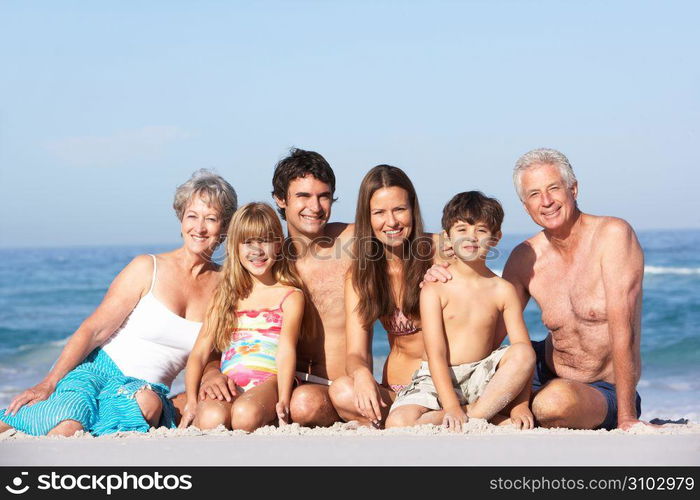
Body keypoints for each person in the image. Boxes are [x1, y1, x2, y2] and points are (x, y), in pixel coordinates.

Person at [0, 170, 237, 436]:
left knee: (145, 405)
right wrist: (48, 383)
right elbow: (94, 330)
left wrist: (213, 372)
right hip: (96, 372)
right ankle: (27, 415)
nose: (200, 227)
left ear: (225, 227)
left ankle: (27, 418)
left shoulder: (225, 286)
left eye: (211, 218)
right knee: (67, 427)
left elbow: (213, 351)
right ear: (181, 219)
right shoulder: (147, 267)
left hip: (147, 389)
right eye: (192, 216)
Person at [427, 148, 646, 431]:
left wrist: (627, 417)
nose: (546, 202)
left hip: (602, 387)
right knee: (509, 368)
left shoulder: (613, 236)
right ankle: (460, 410)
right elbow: (487, 329)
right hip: (542, 370)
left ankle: (478, 414)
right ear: (525, 205)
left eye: (553, 189)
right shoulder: (526, 256)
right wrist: (442, 269)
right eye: (533, 194)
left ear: (574, 189)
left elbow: (623, 329)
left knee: (552, 404)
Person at [193, 149, 353, 428]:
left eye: (323, 196)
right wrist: (210, 374)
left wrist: (447, 252)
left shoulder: (351, 241)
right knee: (201, 409)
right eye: (303, 196)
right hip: (270, 383)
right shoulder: (260, 264)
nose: (314, 207)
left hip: (326, 387)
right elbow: (224, 342)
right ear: (280, 199)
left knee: (302, 404)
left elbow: (411, 238)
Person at [385, 191, 535, 431]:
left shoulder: (503, 290)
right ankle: (480, 414)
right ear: (447, 237)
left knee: (524, 353)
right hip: (437, 376)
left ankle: (474, 413)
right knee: (397, 422)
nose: (471, 237)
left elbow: (522, 348)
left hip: (481, 374)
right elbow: (436, 354)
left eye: (482, 230)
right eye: (462, 229)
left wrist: (521, 405)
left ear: (496, 238)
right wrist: (451, 406)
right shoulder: (436, 289)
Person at [179, 203, 306, 432]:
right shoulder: (226, 296)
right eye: (248, 242)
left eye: (265, 240)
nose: (257, 250)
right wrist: (190, 401)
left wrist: (284, 398)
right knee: (210, 417)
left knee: (245, 415)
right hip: (230, 382)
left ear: (278, 245)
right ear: (235, 247)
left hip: (270, 381)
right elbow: (199, 354)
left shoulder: (290, 296)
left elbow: (286, 351)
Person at [329, 165, 436, 427]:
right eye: (379, 213)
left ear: (413, 208)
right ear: (367, 218)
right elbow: (355, 352)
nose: (391, 222)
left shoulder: (439, 251)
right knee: (341, 390)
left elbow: (488, 300)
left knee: (400, 421)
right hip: (397, 389)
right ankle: (411, 420)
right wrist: (362, 372)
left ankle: (425, 417)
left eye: (399, 209)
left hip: (445, 383)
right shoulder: (361, 275)